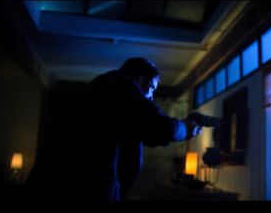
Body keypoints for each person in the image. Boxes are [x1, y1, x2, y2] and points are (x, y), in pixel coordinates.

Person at [25, 57, 202, 202]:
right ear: (140, 79)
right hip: (80, 190)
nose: (152, 97)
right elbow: (162, 128)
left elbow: (146, 132)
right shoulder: (121, 86)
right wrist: (187, 129)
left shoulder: (105, 90)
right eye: (152, 89)